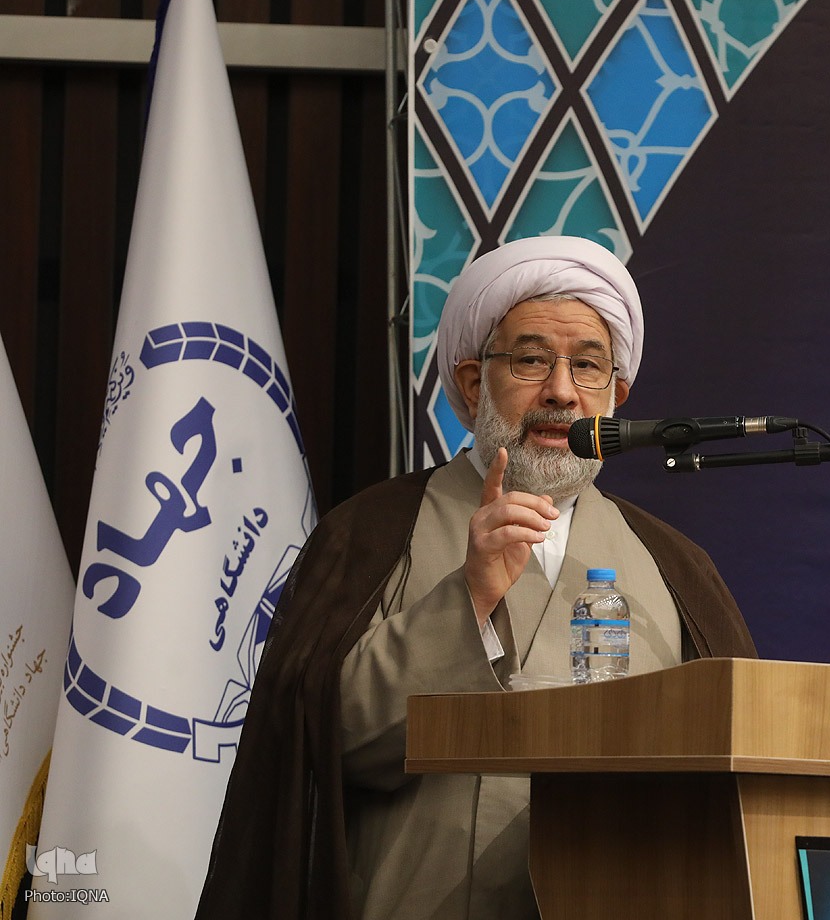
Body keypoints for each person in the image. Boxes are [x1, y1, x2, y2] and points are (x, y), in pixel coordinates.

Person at [195, 235, 757, 920]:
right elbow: (317, 743)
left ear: (616, 396)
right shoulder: (371, 534)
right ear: (471, 382)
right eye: (530, 360)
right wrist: (470, 599)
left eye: (587, 366)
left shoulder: (674, 565)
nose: (560, 392)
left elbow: (732, 781)